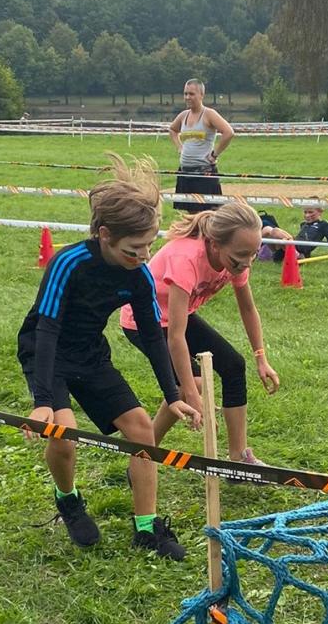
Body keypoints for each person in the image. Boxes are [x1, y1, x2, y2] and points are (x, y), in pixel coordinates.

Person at [18, 154, 201, 560]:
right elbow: (46, 329)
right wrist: (44, 402)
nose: (143, 256)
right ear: (104, 235)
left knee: (141, 429)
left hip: (89, 355)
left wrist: (172, 394)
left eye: (150, 246)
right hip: (44, 352)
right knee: (64, 437)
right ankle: (67, 499)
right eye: (135, 249)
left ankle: (147, 528)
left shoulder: (139, 274)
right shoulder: (69, 262)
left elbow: (154, 336)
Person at [120, 202, 280, 469]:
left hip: (178, 316)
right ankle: (144, 453)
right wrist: (194, 396)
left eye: (253, 254)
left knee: (233, 366)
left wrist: (261, 358)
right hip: (143, 321)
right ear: (215, 244)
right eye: (241, 256)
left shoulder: (237, 259)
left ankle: (238, 458)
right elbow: (175, 336)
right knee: (187, 386)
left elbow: (248, 308)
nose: (246, 263)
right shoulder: (186, 259)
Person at [168, 78, 234, 213]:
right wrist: (179, 147)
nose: (187, 97)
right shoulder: (183, 115)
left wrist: (215, 154)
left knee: (208, 214)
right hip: (185, 172)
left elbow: (228, 132)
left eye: (191, 94)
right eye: (185, 94)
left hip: (204, 173)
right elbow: (172, 130)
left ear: (201, 95)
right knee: (191, 215)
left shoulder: (209, 114)